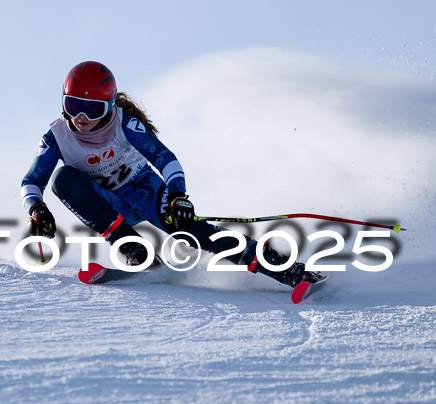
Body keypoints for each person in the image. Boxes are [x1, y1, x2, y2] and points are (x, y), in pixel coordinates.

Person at [20, 60, 307, 287]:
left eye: (92, 110)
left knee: (191, 233)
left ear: (108, 108)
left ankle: (283, 269)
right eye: (74, 106)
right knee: (63, 179)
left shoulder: (125, 124)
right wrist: (36, 209)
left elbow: (165, 159)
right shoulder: (56, 136)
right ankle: (135, 251)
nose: (81, 118)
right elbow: (32, 182)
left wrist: (177, 196)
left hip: (144, 190)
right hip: (107, 203)